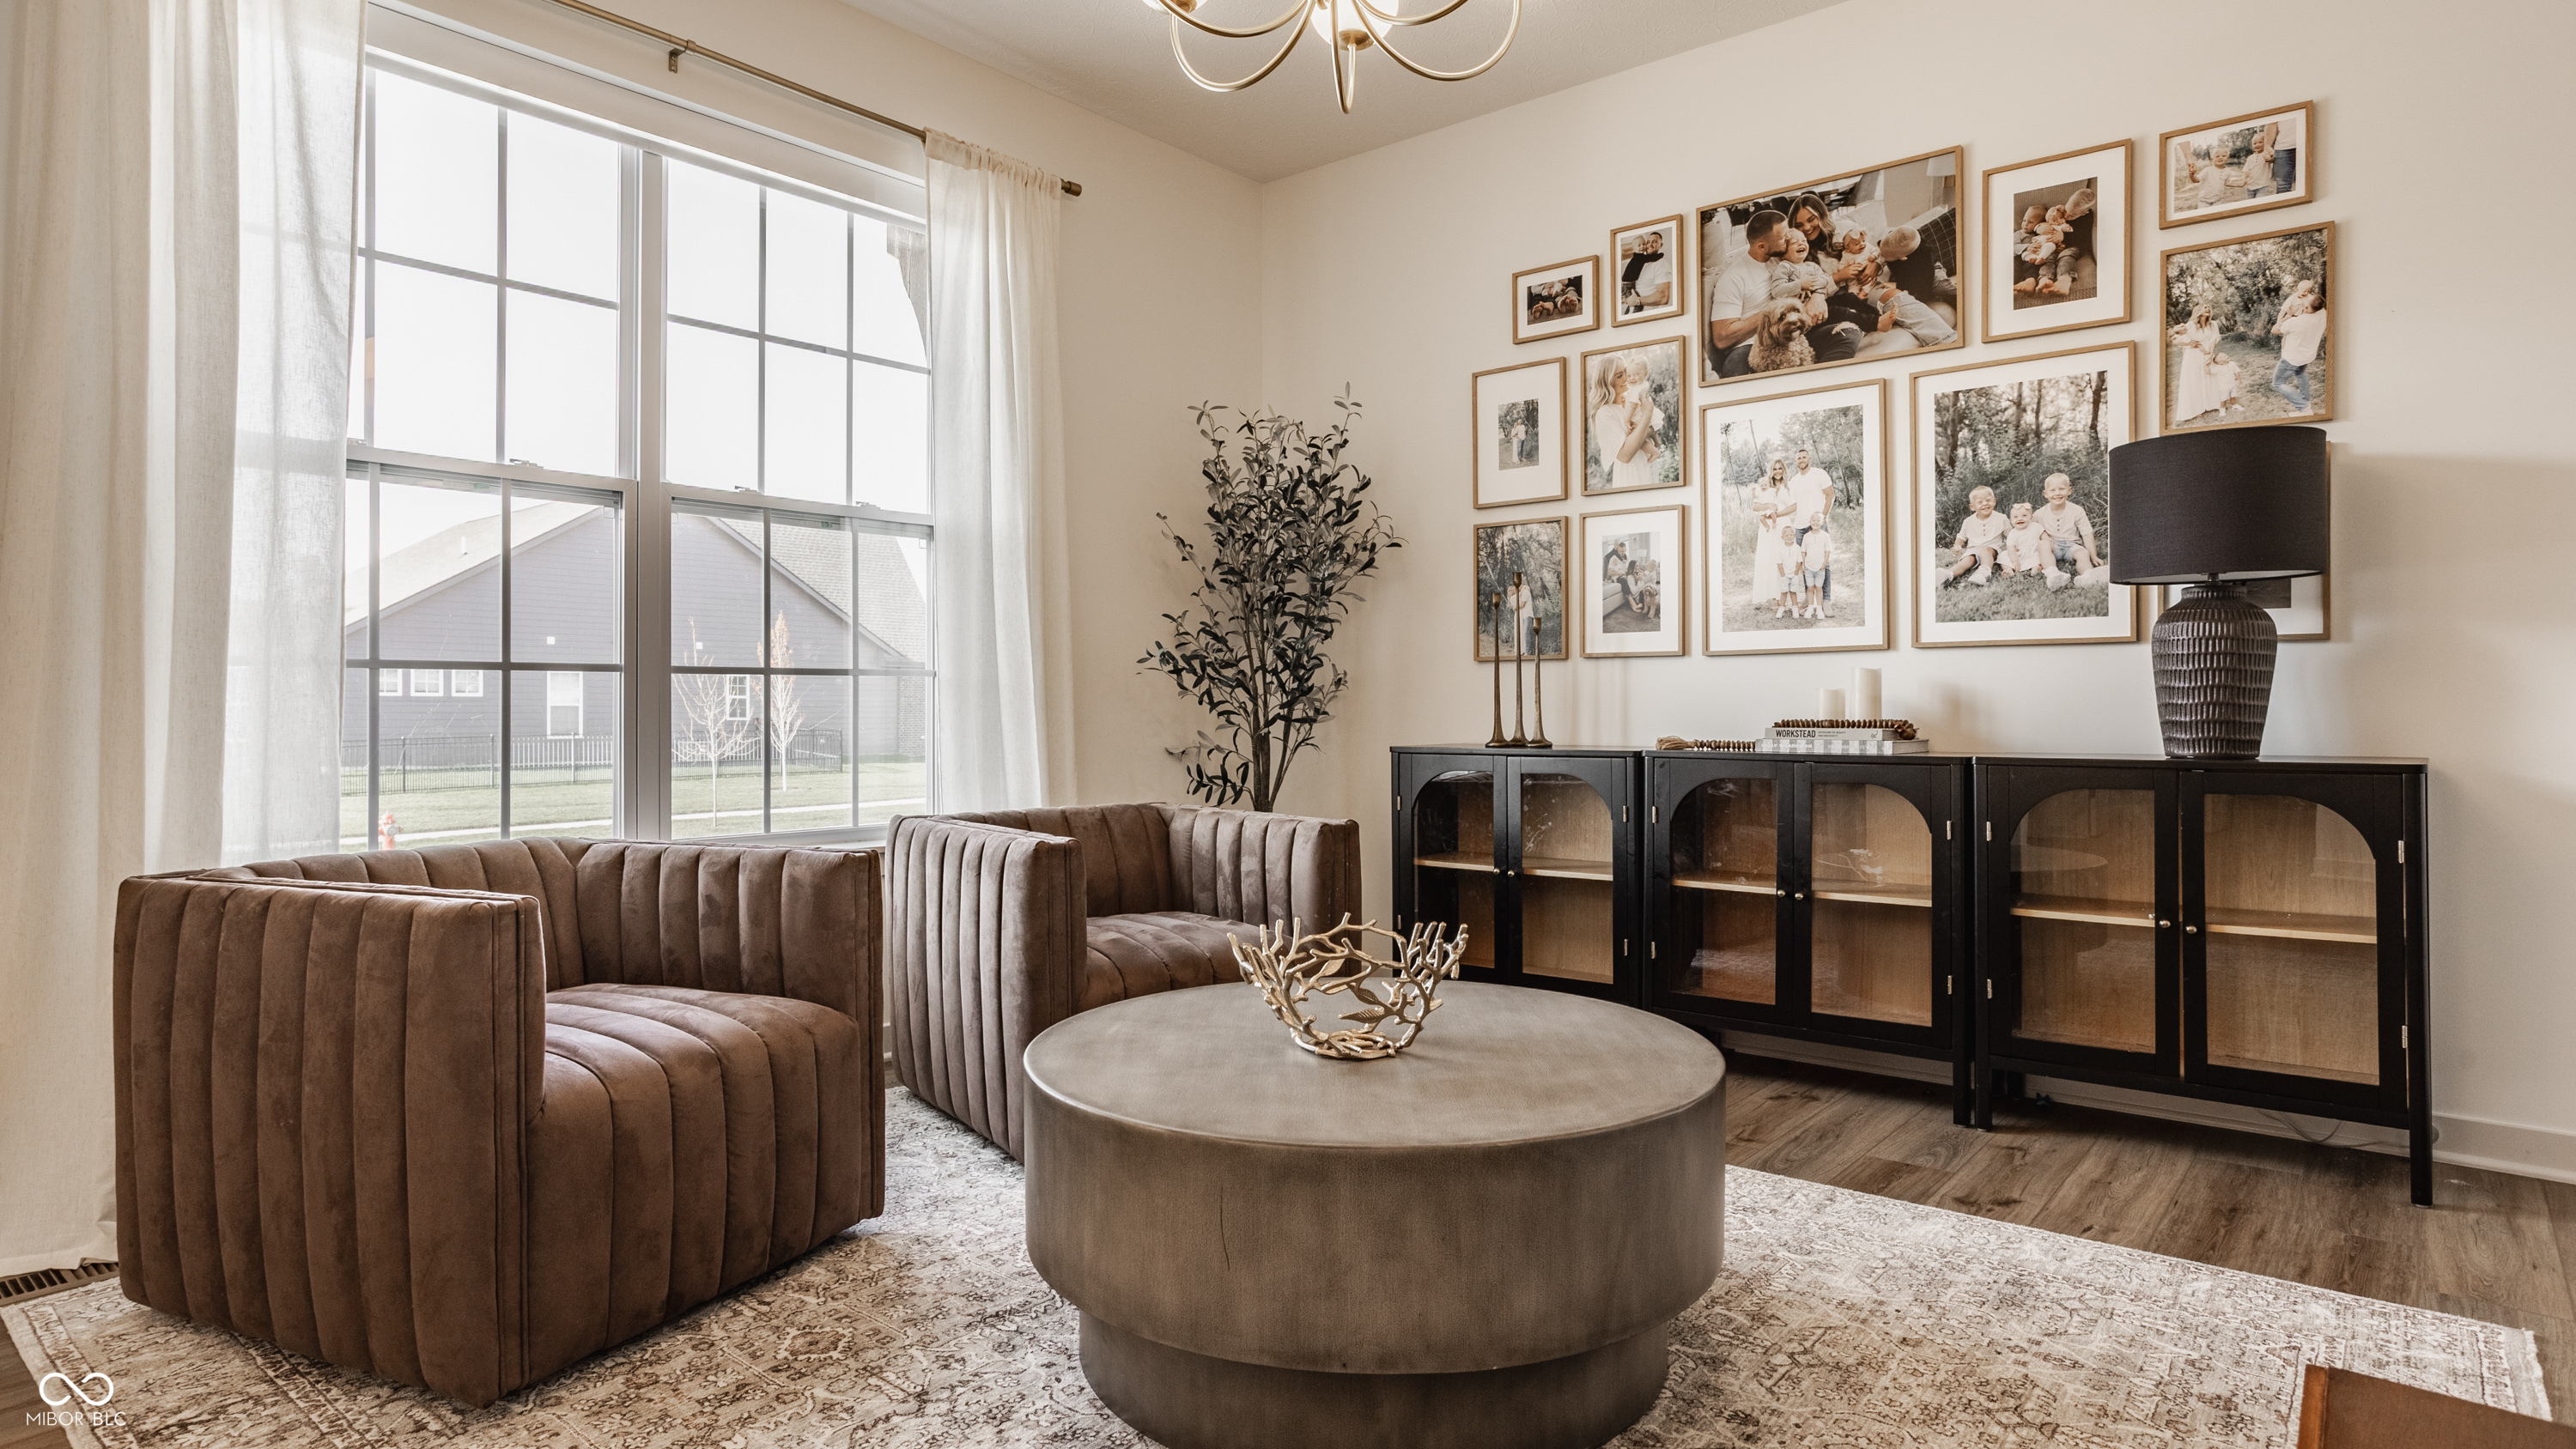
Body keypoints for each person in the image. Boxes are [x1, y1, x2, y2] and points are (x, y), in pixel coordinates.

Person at [1708, 209, 1795, 361]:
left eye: (1788, 233)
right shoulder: (1734, 278)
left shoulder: (1786, 257)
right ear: (1762, 247)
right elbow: (1722, 337)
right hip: (1750, 346)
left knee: (1841, 332)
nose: (1789, 238)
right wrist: (1776, 309)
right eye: (1783, 237)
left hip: (1790, 333)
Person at [1591, 355, 1664, 491]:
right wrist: (1647, 416)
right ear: (1607, 381)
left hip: (1648, 466)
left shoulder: (1631, 398)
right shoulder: (1605, 413)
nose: (1627, 378)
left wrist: (1646, 426)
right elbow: (1625, 455)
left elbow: (1656, 422)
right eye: (1620, 376)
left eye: (1626, 372)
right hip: (1632, 475)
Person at [2168, 303, 2242, 422]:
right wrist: (2190, 343)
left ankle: (2211, 404)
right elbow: (2175, 339)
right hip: (2192, 355)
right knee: (2194, 380)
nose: (2208, 309)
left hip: (2207, 352)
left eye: (2209, 307)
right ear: (2198, 310)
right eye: (2205, 307)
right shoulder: (2190, 325)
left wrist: (2210, 355)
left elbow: (2213, 340)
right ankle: (2195, 409)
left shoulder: (2213, 324)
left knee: (2210, 378)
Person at [1786, 445, 1838, 605]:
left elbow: (1830, 496)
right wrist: (1777, 513)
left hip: (1817, 524)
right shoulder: (1794, 481)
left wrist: (1823, 517)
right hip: (1800, 526)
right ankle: (1809, 598)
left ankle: (1826, 600)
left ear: (1809, 458)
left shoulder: (1819, 474)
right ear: (1796, 461)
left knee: (1823, 563)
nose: (1801, 460)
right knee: (1804, 563)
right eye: (1798, 458)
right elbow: (1793, 505)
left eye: (1804, 457)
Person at [1749, 456, 1798, 617]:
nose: (1777, 471)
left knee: (1783, 558)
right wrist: (1767, 506)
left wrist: (1779, 514)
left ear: (1784, 470)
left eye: (1780, 468)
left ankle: (1784, 596)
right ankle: (1773, 597)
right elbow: (1755, 506)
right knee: (1769, 559)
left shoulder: (1788, 487)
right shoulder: (1766, 486)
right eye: (1775, 469)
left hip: (1783, 524)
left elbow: (1794, 506)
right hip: (1768, 526)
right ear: (1771, 471)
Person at [2033, 472, 2100, 585]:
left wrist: (2094, 556)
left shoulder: (2077, 510)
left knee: (2084, 553)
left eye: (2062, 489)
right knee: (2043, 544)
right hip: (2053, 546)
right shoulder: (2040, 513)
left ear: (2069, 491)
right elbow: (2029, 529)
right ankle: (2053, 574)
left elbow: (2087, 533)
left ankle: (2087, 576)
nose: (2057, 493)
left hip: (2072, 545)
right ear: (2045, 494)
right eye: (2052, 490)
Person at [2270, 287, 2329, 413]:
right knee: (2300, 373)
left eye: (2306, 302)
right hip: (2307, 355)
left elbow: (2274, 330)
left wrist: (2285, 317)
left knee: (2278, 383)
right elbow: (2318, 304)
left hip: (2292, 358)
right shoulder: (2323, 314)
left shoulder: (2295, 322)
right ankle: (2306, 401)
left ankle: (2304, 408)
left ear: (2306, 307)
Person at [1941, 486, 2012, 587]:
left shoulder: (2001, 518)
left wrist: (2015, 547)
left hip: (1992, 550)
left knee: (1985, 550)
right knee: (1967, 560)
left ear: (1994, 501)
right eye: (1980, 502)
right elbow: (1961, 537)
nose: (1985, 504)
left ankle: (1984, 573)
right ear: (1972, 507)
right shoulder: (1968, 521)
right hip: (1973, 549)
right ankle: (1949, 574)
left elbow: (2011, 535)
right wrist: (1957, 545)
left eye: (1988, 500)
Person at [1620, 229, 1673, 316]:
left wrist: (1637, 301)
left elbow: (1664, 298)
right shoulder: (1643, 262)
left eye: (1655, 242)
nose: (1650, 245)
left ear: (1661, 245)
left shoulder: (1661, 264)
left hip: (1647, 315)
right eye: (1648, 242)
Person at [1798, 516, 1834, 619]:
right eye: (1813, 520)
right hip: (1809, 567)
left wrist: (1824, 564)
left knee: (1819, 588)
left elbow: (1827, 551)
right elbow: (1803, 551)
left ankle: (1819, 609)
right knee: (1810, 588)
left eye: (1818, 520)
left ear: (1822, 522)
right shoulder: (1806, 536)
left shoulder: (1825, 536)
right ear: (1810, 522)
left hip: (1820, 568)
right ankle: (1810, 608)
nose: (1815, 522)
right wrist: (1803, 564)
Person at [1997, 502, 2045, 579]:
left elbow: (2045, 538)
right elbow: (2010, 549)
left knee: (2042, 556)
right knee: (2003, 555)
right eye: (2015, 517)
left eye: (2024, 516)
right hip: (2019, 555)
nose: (2020, 519)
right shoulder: (2013, 533)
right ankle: (2009, 570)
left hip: (2034, 552)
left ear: (2031, 518)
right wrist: (2015, 561)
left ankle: (2036, 568)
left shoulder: (2036, 526)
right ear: (2011, 520)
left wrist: (2048, 543)